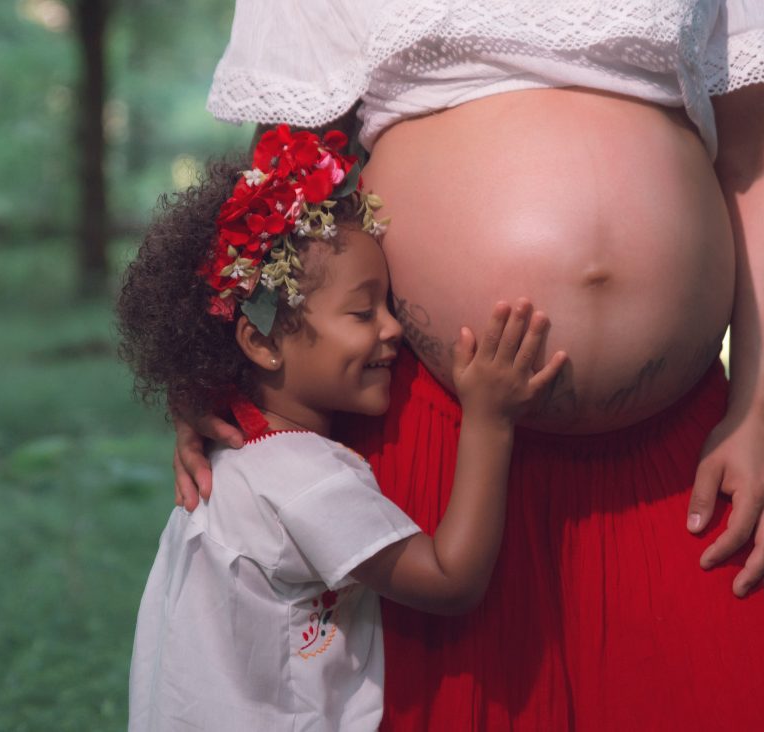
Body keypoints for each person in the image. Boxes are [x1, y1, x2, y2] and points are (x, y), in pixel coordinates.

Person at [178, 1, 764, 729]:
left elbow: (763, 155)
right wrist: (218, 368)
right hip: (435, 442)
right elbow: (284, 184)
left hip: (684, 458)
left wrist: (756, 414)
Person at [118, 126, 566, 730]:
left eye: (390, 306)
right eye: (364, 312)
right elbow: (449, 580)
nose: (393, 330)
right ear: (262, 341)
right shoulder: (304, 479)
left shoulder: (244, 461)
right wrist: (489, 419)